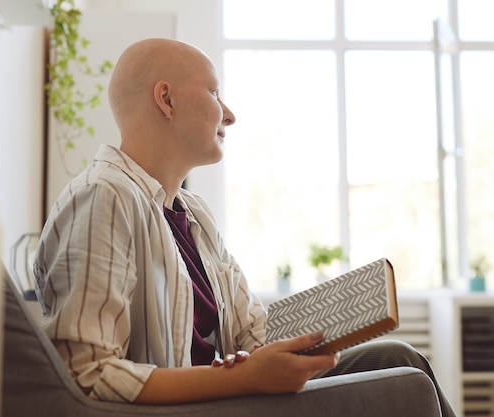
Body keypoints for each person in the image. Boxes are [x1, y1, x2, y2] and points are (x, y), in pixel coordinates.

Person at [34, 38, 456, 416]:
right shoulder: (104, 197)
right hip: (185, 409)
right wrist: (242, 379)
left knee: (397, 359)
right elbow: (88, 374)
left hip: (225, 395)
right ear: (166, 100)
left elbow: (251, 333)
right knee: (408, 383)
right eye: (215, 93)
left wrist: (336, 316)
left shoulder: (193, 212)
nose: (230, 115)